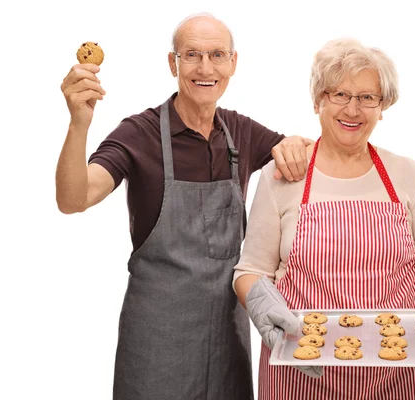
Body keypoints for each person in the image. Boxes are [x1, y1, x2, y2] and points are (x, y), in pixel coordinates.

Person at [56, 12, 311, 400]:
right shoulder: (137, 134)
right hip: (156, 343)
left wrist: (296, 143)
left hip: (228, 337)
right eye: (192, 55)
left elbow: (306, 158)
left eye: (217, 55)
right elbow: (74, 199)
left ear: (233, 63)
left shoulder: (240, 131)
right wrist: (79, 123)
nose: (205, 68)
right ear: (173, 63)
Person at [233, 38, 415, 399]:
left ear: (382, 106)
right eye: (339, 94)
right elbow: (251, 271)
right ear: (317, 100)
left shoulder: (407, 173)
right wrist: (262, 304)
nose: (352, 109)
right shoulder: (282, 177)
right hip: (301, 371)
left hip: (400, 373)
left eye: (367, 97)